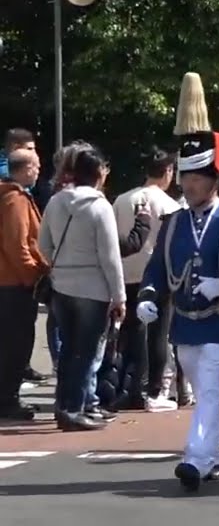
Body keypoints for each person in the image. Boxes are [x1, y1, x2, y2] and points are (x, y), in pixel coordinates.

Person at [136, 74, 219, 491]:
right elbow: (158, 267)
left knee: (211, 389)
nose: (190, 183)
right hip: (184, 321)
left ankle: (195, 460)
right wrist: (148, 295)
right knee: (204, 391)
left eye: (199, 177)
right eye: (186, 176)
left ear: (215, 180)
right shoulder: (174, 222)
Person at [37, 145, 126, 431]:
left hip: (62, 283)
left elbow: (43, 245)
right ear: (99, 173)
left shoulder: (55, 201)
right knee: (86, 351)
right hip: (93, 286)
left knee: (67, 349)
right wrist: (119, 295)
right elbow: (110, 256)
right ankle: (75, 408)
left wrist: (60, 263)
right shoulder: (100, 206)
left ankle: (63, 405)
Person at [112, 147, 179, 411]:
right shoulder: (170, 204)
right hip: (157, 276)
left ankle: (129, 384)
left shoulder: (122, 200)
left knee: (131, 332)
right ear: (168, 172)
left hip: (126, 271)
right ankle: (152, 388)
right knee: (158, 334)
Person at [0, 148, 50, 420]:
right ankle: (8, 399)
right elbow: (18, 244)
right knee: (16, 344)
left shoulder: (12, 197)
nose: (39, 170)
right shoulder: (15, 200)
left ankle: (7, 396)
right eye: (36, 165)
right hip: (14, 285)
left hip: (8, 282)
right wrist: (34, 275)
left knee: (11, 343)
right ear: (25, 168)